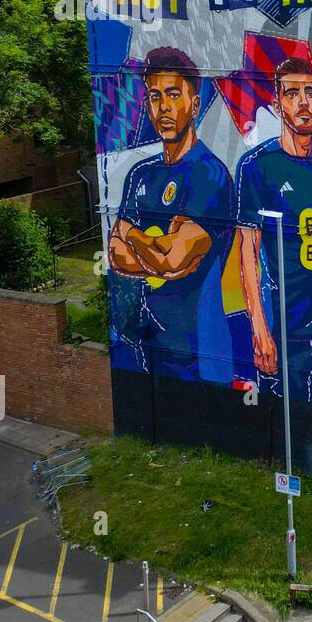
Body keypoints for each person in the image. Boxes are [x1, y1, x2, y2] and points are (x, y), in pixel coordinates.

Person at [108, 47, 235, 384]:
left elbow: (173, 260)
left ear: (194, 104)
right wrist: (157, 246)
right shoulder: (140, 174)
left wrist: (133, 234)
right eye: (154, 96)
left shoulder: (209, 175)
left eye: (173, 94)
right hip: (145, 342)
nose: (163, 107)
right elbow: (115, 255)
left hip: (197, 356)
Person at [235, 55, 312, 403]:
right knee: (289, 421)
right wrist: (260, 330)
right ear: (277, 104)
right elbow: (248, 253)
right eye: (292, 93)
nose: (303, 102)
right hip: (284, 332)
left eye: (310, 93)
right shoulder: (257, 167)